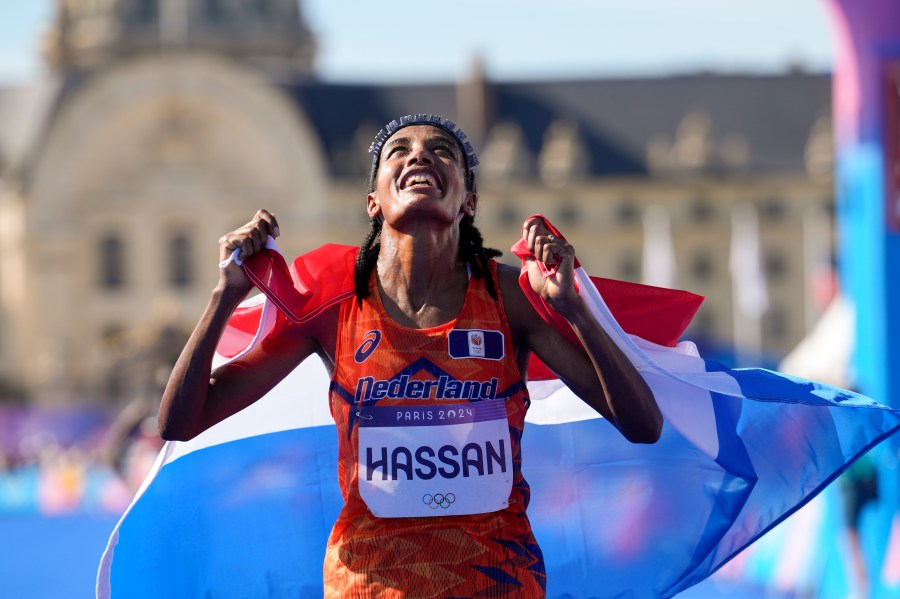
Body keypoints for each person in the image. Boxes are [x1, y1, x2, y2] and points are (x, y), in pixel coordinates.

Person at [157, 114, 662, 598]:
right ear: (373, 201)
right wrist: (225, 295)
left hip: (497, 583)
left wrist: (573, 310)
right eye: (399, 150)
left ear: (469, 201)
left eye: (442, 152)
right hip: (368, 583)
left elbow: (644, 425)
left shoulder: (510, 298)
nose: (419, 155)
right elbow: (181, 420)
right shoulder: (332, 308)